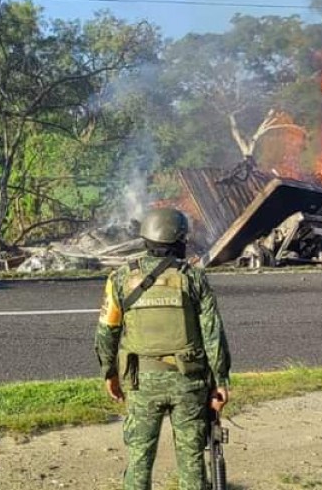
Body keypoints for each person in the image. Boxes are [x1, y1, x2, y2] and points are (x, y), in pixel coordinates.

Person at [95, 207, 231, 490]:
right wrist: (220, 381)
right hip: (189, 382)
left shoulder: (120, 278)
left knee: (139, 457)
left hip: (141, 383)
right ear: (179, 241)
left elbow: (107, 331)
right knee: (192, 459)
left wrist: (109, 373)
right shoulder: (193, 278)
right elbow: (213, 334)